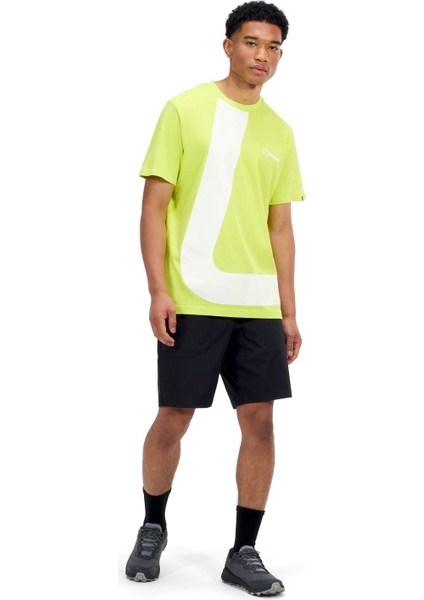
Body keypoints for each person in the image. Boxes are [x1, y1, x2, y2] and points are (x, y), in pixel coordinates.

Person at [125, 1, 305, 595]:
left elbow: (281, 228)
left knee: (261, 423)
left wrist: (289, 311)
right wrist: (158, 288)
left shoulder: (281, 132)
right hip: (193, 297)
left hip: (256, 306)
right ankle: (153, 526)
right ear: (228, 45)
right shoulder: (185, 109)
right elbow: (154, 207)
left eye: (273, 46)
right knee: (174, 418)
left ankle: (243, 550)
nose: (262, 55)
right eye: (252, 42)